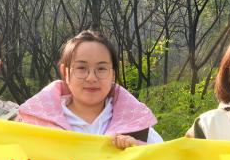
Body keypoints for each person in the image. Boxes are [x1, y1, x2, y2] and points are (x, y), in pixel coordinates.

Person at [18, 30, 161, 149]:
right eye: (81, 68)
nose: (91, 78)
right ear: (65, 72)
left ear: (113, 73)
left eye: (101, 68)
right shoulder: (34, 126)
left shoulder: (137, 129)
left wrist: (139, 151)